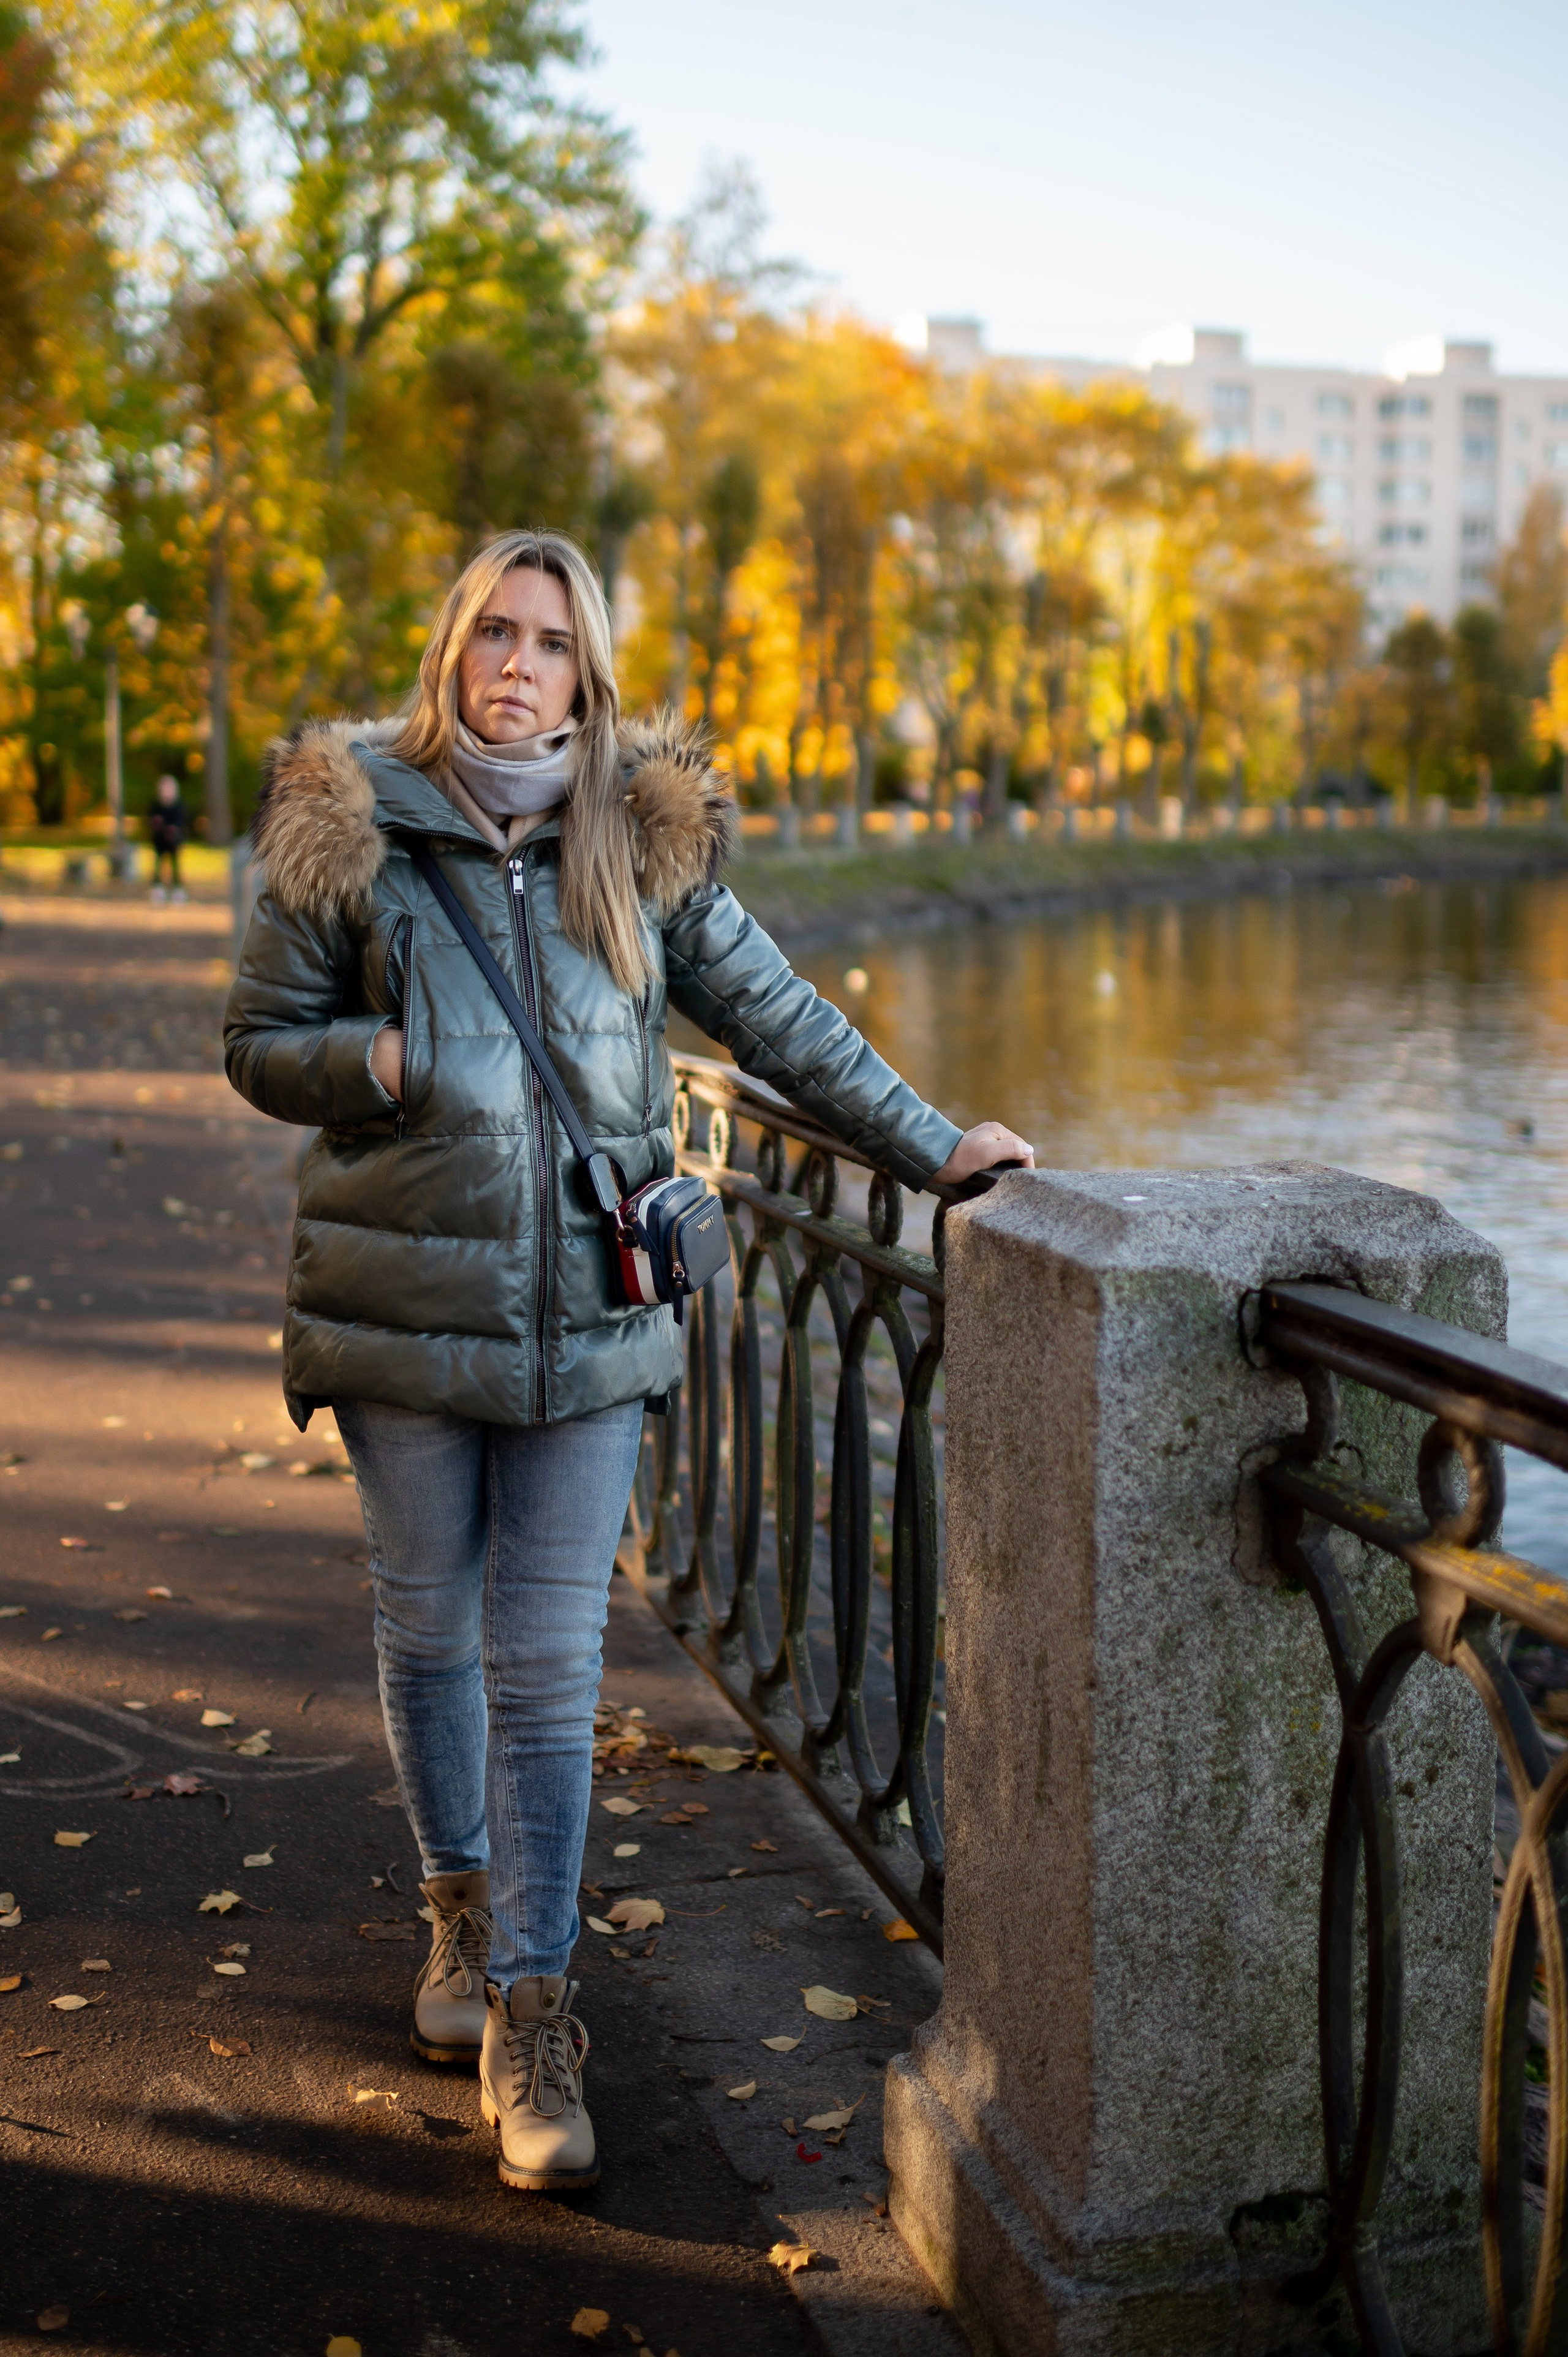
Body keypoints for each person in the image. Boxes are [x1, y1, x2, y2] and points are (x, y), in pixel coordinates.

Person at [222, 527, 1033, 2197]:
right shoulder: (349, 824)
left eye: (550, 643)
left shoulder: (637, 839)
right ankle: (457, 1915)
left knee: (547, 1667)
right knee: (427, 1629)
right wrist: (382, 1058)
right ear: (452, 648)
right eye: (494, 633)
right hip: (397, 1310)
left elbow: (780, 1019)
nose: (517, 666)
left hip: (593, 1316)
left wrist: (938, 1145)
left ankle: (533, 2006)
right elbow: (259, 1044)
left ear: (587, 676)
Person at [148, 774, 189, 902]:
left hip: (174, 842)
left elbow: (182, 822)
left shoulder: (179, 805)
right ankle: (157, 888)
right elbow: (152, 822)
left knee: (175, 865)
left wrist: (174, 831)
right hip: (159, 841)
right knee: (158, 864)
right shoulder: (156, 806)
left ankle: (177, 889)